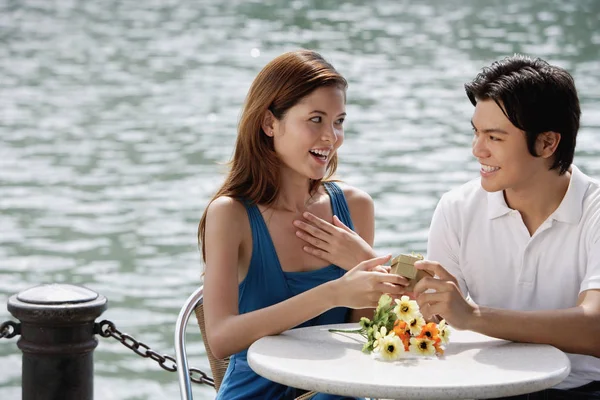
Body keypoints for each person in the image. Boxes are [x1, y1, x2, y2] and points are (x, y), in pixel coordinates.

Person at [294, 55, 600, 399]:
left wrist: (473, 316)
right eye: (476, 132)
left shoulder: (595, 211)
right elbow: (436, 323)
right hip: (483, 387)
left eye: (494, 138)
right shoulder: (457, 208)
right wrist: (408, 286)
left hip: (581, 389)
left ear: (547, 143)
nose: (477, 150)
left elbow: (594, 329)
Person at [198, 50, 407, 400]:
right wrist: (333, 293)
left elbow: (366, 336)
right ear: (269, 124)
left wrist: (366, 261)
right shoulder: (231, 214)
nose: (331, 136)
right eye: (315, 119)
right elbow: (221, 339)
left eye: (338, 121)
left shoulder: (356, 207)